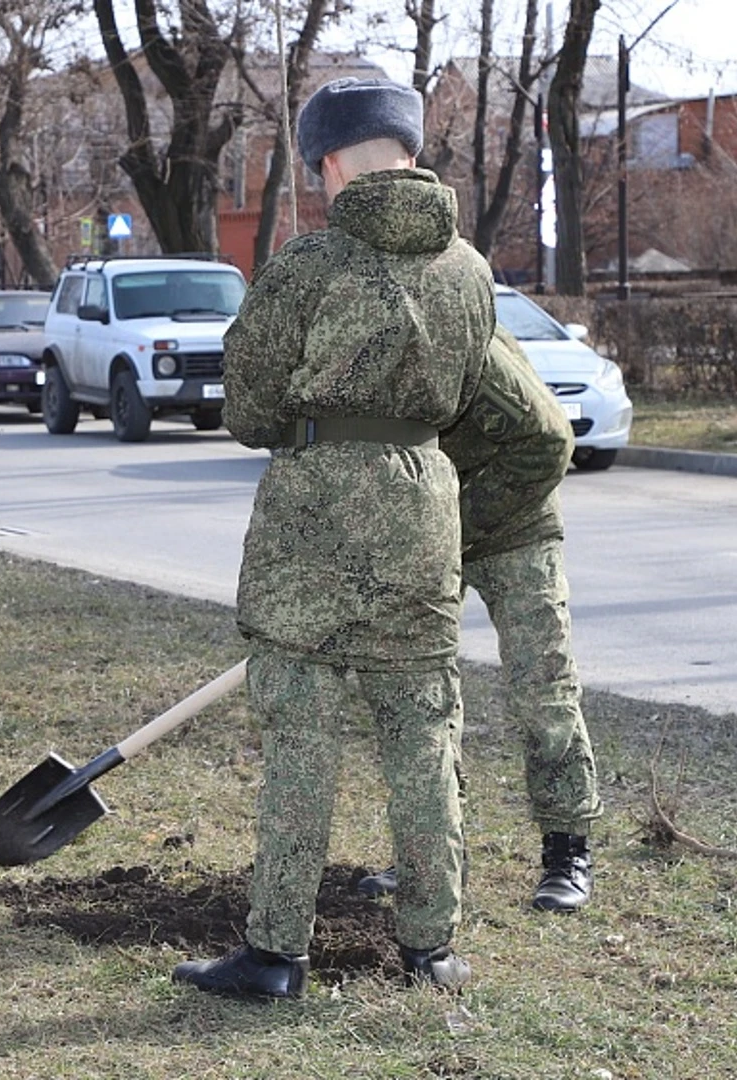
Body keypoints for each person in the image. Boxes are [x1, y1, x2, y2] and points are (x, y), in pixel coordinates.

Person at [171, 77, 495, 999]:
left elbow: (249, 408)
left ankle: (277, 953)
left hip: (312, 516)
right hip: (423, 509)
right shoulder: (470, 271)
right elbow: (469, 395)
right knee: (424, 737)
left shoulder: (308, 269)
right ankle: (433, 950)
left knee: (302, 743)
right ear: (408, 148)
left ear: (325, 163)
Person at [354, 328, 602, 913]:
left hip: (517, 523)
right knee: (419, 691)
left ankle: (567, 848)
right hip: (433, 532)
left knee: (543, 688)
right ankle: (434, 849)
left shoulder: (464, 348)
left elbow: (549, 444)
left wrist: (453, 526)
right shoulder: (365, 354)